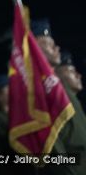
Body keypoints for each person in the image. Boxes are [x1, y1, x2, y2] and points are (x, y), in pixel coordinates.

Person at [31, 18, 86, 174]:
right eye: (48, 43)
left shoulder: (57, 86)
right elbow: (52, 153)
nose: (56, 47)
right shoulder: (40, 92)